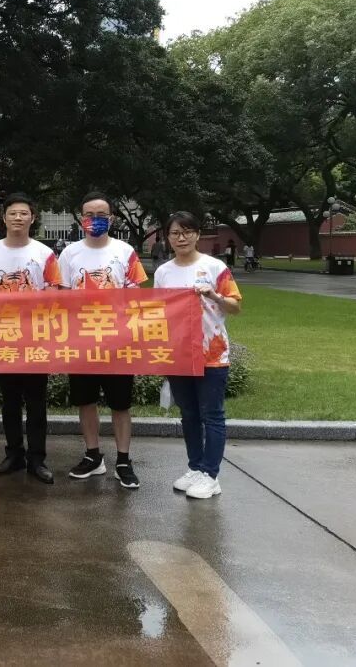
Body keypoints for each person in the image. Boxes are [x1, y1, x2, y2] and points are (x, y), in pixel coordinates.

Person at [58, 192, 148, 489]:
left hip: (117, 341)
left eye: (100, 215)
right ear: (80, 218)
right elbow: (61, 297)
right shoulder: (69, 254)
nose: (94, 220)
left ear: (111, 219)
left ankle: (123, 461)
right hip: (82, 340)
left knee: (120, 404)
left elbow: (135, 297)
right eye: (89, 215)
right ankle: (93, 455)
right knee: (85, 401)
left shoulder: (125, 251)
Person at [154, 211, 242, 499]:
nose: (181, 238)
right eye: (175, 233)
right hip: (179, 352)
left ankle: (210, 474)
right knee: (189, 414)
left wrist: (213, 295)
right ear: (167, 237)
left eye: (187, 232)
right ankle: (195, 467)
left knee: (212, 414)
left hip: (211, 352)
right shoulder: (163, 272)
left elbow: (235, 306)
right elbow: (158, 310)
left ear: (197, 234)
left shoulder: (215, 267)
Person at [0, 193, 62, 483]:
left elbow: (53, 292)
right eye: (13, 213)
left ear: (32, 218)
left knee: (37, 400)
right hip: (3, 337)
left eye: (24, 213)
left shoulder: (45, 253)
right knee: (10, 400)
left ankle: (37, 459)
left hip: (36, 338)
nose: (18, 218)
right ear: (4, 218)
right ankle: (14, 453)